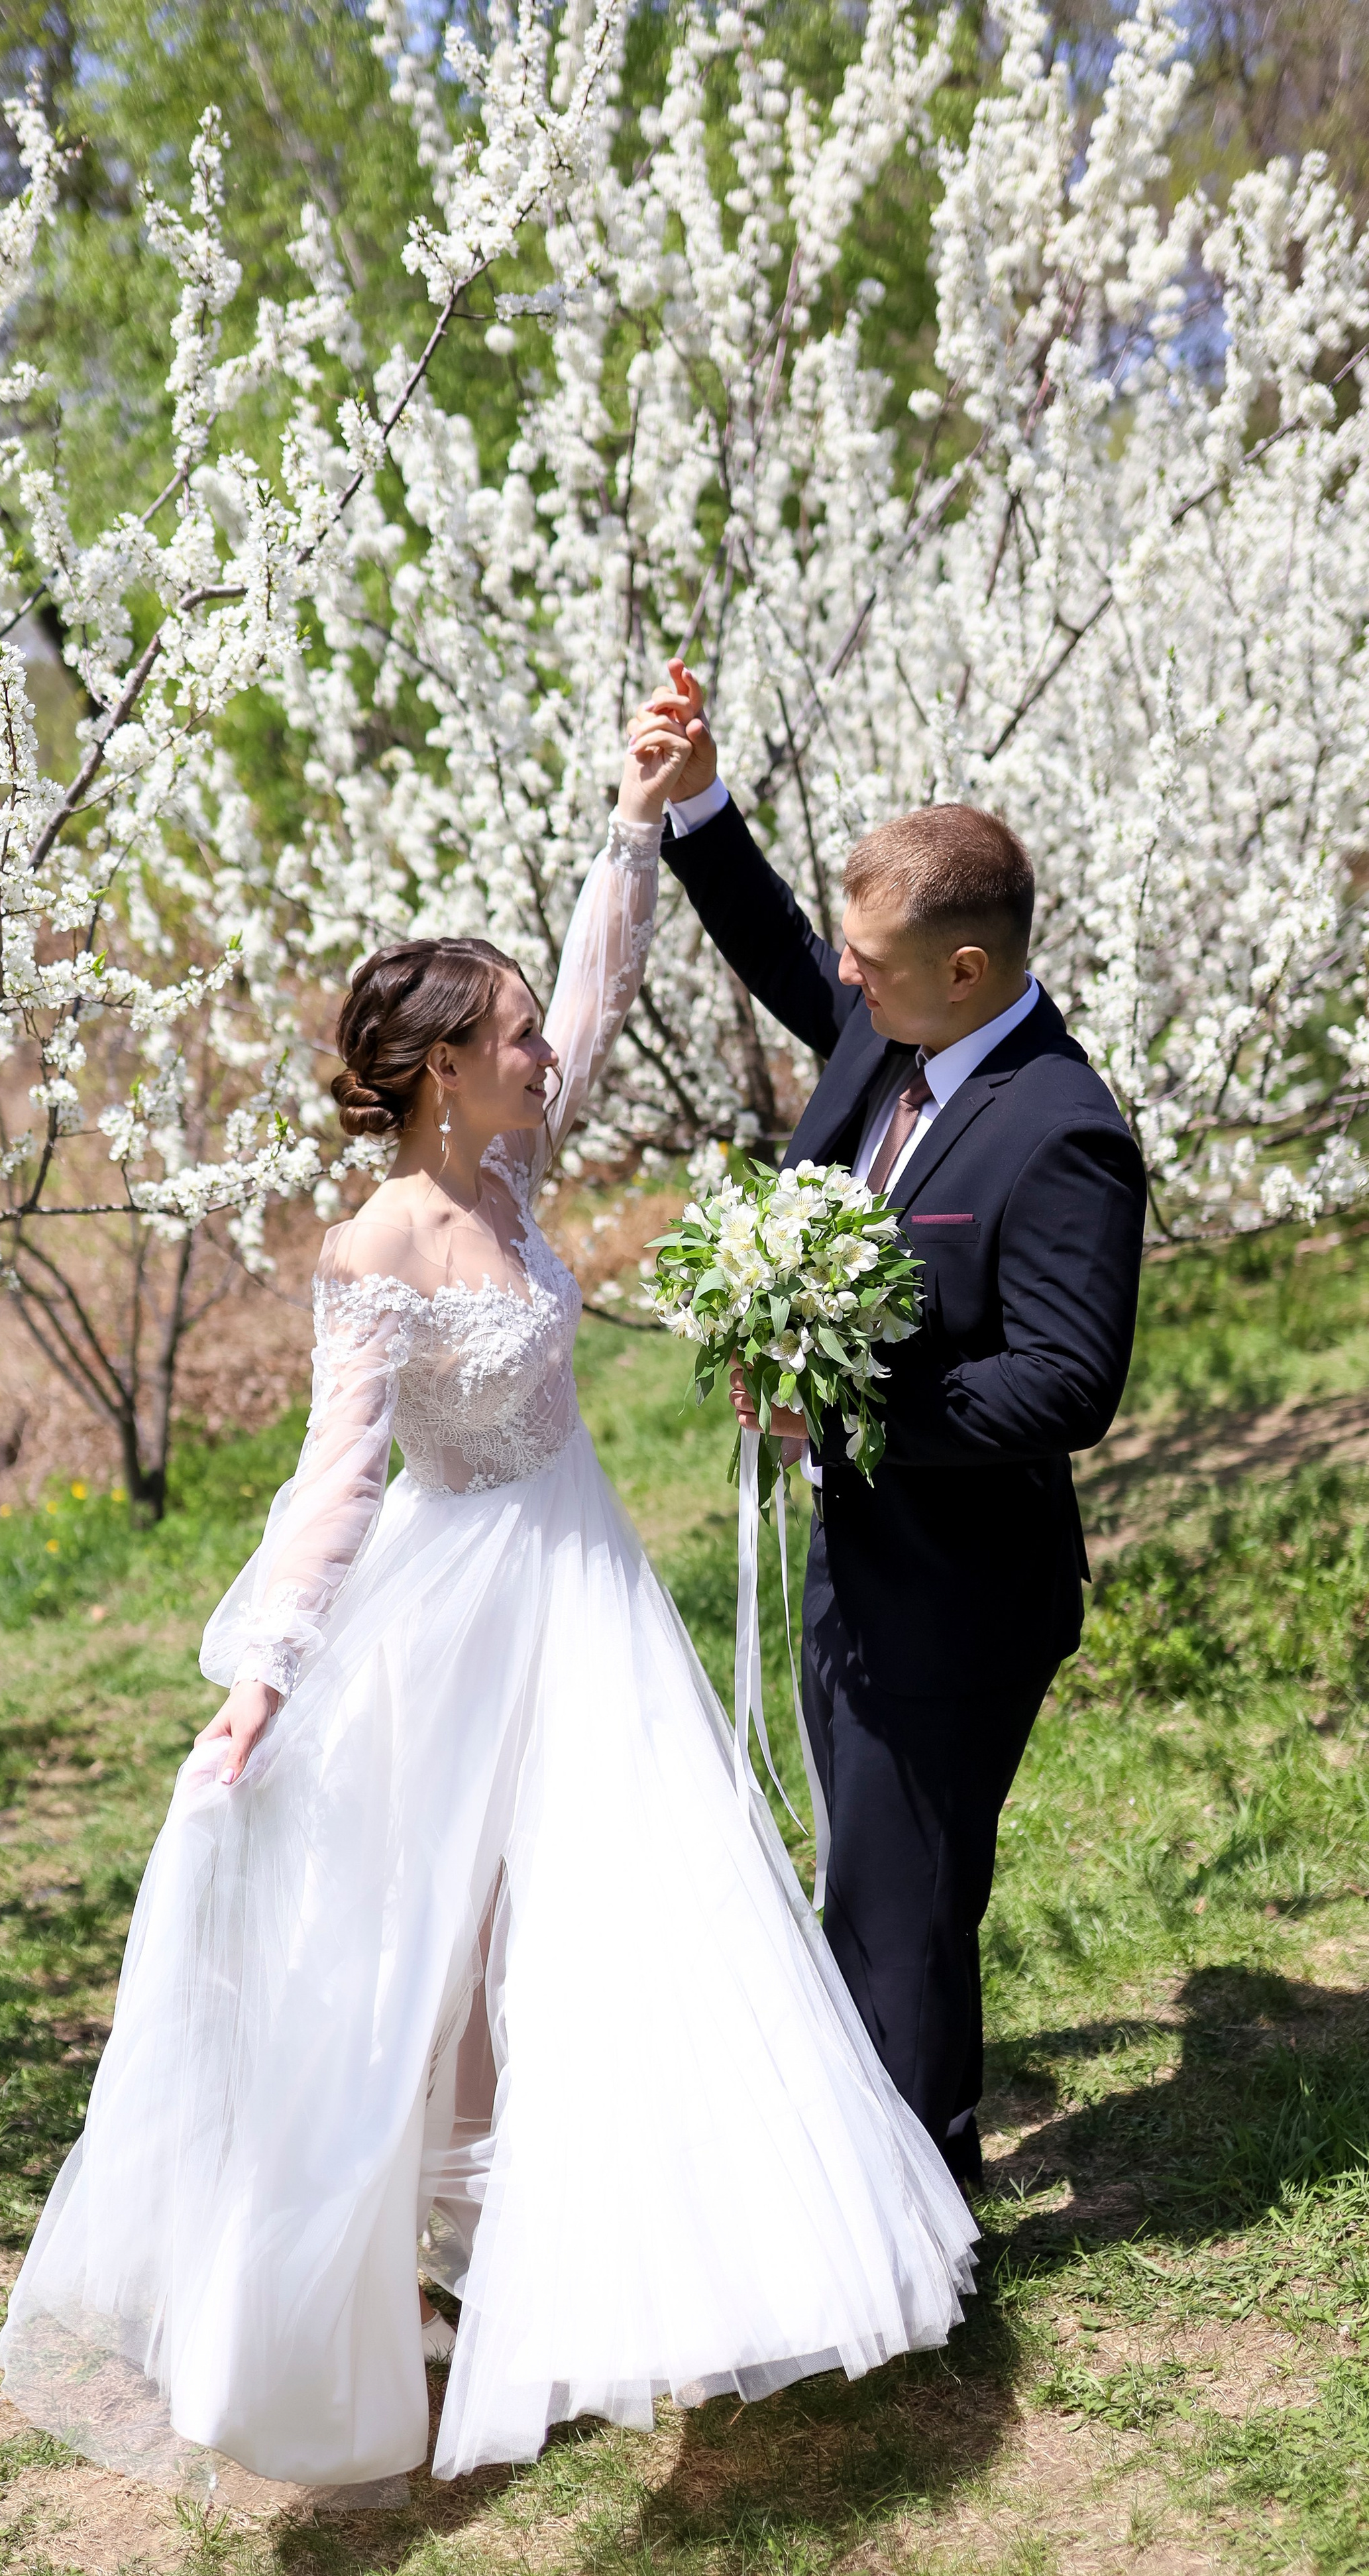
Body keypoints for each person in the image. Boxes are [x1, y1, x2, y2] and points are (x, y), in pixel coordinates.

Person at [0, 712, 975, 2501]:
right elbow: (334, 1481)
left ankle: (648, 2250)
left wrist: (634, 827)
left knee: (618, 1916)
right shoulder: (373, 1252)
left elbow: (594, 993)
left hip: (584, 1584)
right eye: (512, 1036)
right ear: (446, 1070)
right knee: (436, 1948)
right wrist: (266, 1678)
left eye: (533, 1028)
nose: (548, 1052)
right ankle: (435, 2269)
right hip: (455, 1605)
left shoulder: (514, 1167)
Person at [647, 661, 1146, 2191]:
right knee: (879, 1880)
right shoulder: (896, 1028)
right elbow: (798, 958)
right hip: (860, 1564)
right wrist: (695, 812)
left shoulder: (1061, 1132)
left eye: (875, 963)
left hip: (962, 1589)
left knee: (900, 1893)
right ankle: (898, 2191)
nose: (844, 983)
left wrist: (842, 1407)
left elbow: (1068, 1382)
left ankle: (917, 2220)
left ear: (972, 966)